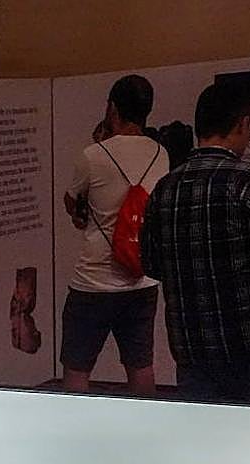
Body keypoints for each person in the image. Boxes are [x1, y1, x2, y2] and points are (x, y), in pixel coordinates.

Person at [142, 82, 250, 403]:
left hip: (192, 352)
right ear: (243, 124)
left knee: (207, 442)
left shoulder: (165, 188)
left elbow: (151, 264)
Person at [61, 74, 169, 396]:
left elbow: (71, 200)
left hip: (93, 280)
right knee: (140, 365)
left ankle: (75, 432)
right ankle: (145, 431)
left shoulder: (92, 156)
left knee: (78, 368)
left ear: (112, 108)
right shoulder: (161, 154)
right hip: (142, 278)